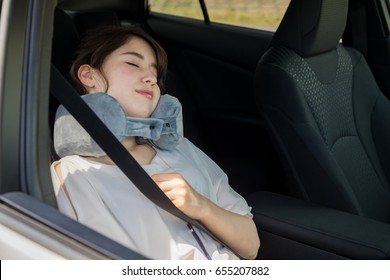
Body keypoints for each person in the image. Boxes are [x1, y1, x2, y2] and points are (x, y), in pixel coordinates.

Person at [50, 25, 260, 260]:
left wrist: (201, 207)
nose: (151, 78)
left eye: (156, 74)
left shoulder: (181, 148)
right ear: (89, 76)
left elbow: (250, 246)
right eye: (133, 63)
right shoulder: (72, 175)